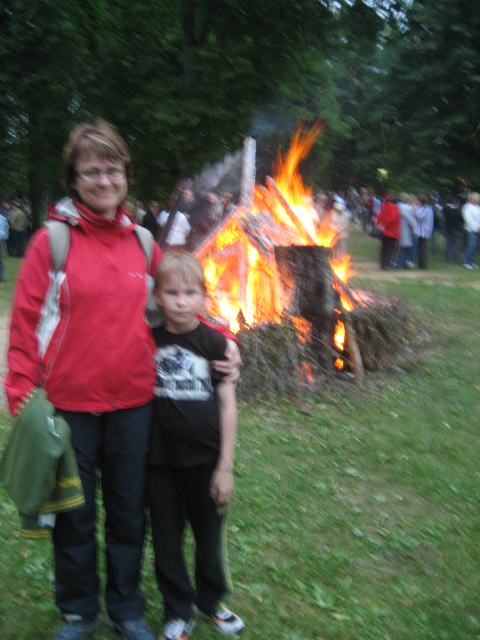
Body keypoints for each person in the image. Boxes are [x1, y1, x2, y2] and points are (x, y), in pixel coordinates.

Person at [4, 119, 240, 640]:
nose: (104, 181)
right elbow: (24, 324)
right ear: (74, 179)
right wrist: (20, 391)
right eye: (91, 172)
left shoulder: (141, 244)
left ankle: (126, 609)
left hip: (135, 405)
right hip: (70, 405)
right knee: (75, 515)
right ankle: (79, 611)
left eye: (112, 170)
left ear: (126, 176)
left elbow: (180, 302)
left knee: (130, 513)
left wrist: (224, 339)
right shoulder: (52, 244)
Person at [147, 253, 244, 640]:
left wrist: (225, 465)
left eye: (190, 293)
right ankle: (177, 609)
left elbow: (227, 404)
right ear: (157, 296)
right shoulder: (148, 339)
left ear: (204, 296)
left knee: (208, 536)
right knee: (166, 539)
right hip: (158, 462)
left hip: (206, 460)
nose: (181, 301)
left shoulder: (215, 343)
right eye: (171, 293)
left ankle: (211, 601)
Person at [375, 193, 400, 270]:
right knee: (390, 250)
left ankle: (383, 264)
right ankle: (387, 265)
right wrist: (386, 225)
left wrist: (381, 225)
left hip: (384, 232)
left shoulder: (385, 207)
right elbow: (392, 220)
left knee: (384, 249)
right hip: (392, 232)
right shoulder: (395, 208)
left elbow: (379, 217)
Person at [395, 193, 416, 269]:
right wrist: (414, 225)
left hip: (400, 228)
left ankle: (402, 263)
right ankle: (399, 263)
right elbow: (409, 219)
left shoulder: (398, 206)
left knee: (404, 247)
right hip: (405, 229)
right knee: (404, 248)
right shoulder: (405, 208)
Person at [413, 194, 434, 269]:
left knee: (422, 249)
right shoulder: (425, 208)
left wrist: (415, 208)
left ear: (421, 202)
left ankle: (423, 266)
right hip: (422, 231)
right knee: (420, 248)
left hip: (424, 231)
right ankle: (421, 264)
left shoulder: (426, 209)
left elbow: (419, 216)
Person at [443, 194, 464, 264]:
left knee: (448, 244)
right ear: (454, 203)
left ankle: (447, 259)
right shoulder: (457, 211)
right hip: (456, 229)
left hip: (448, 229)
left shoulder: (447, 210)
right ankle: (454, 259)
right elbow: (462, 219)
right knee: (455, 245)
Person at [461, 192, 480, 269]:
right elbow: (468, 220)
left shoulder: (478, 208)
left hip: (478, 229)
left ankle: (472, 261)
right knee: (471, 245)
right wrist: (476, 229)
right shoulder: (467, 207)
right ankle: (467, 262)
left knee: (475, 247)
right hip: (471, 229)